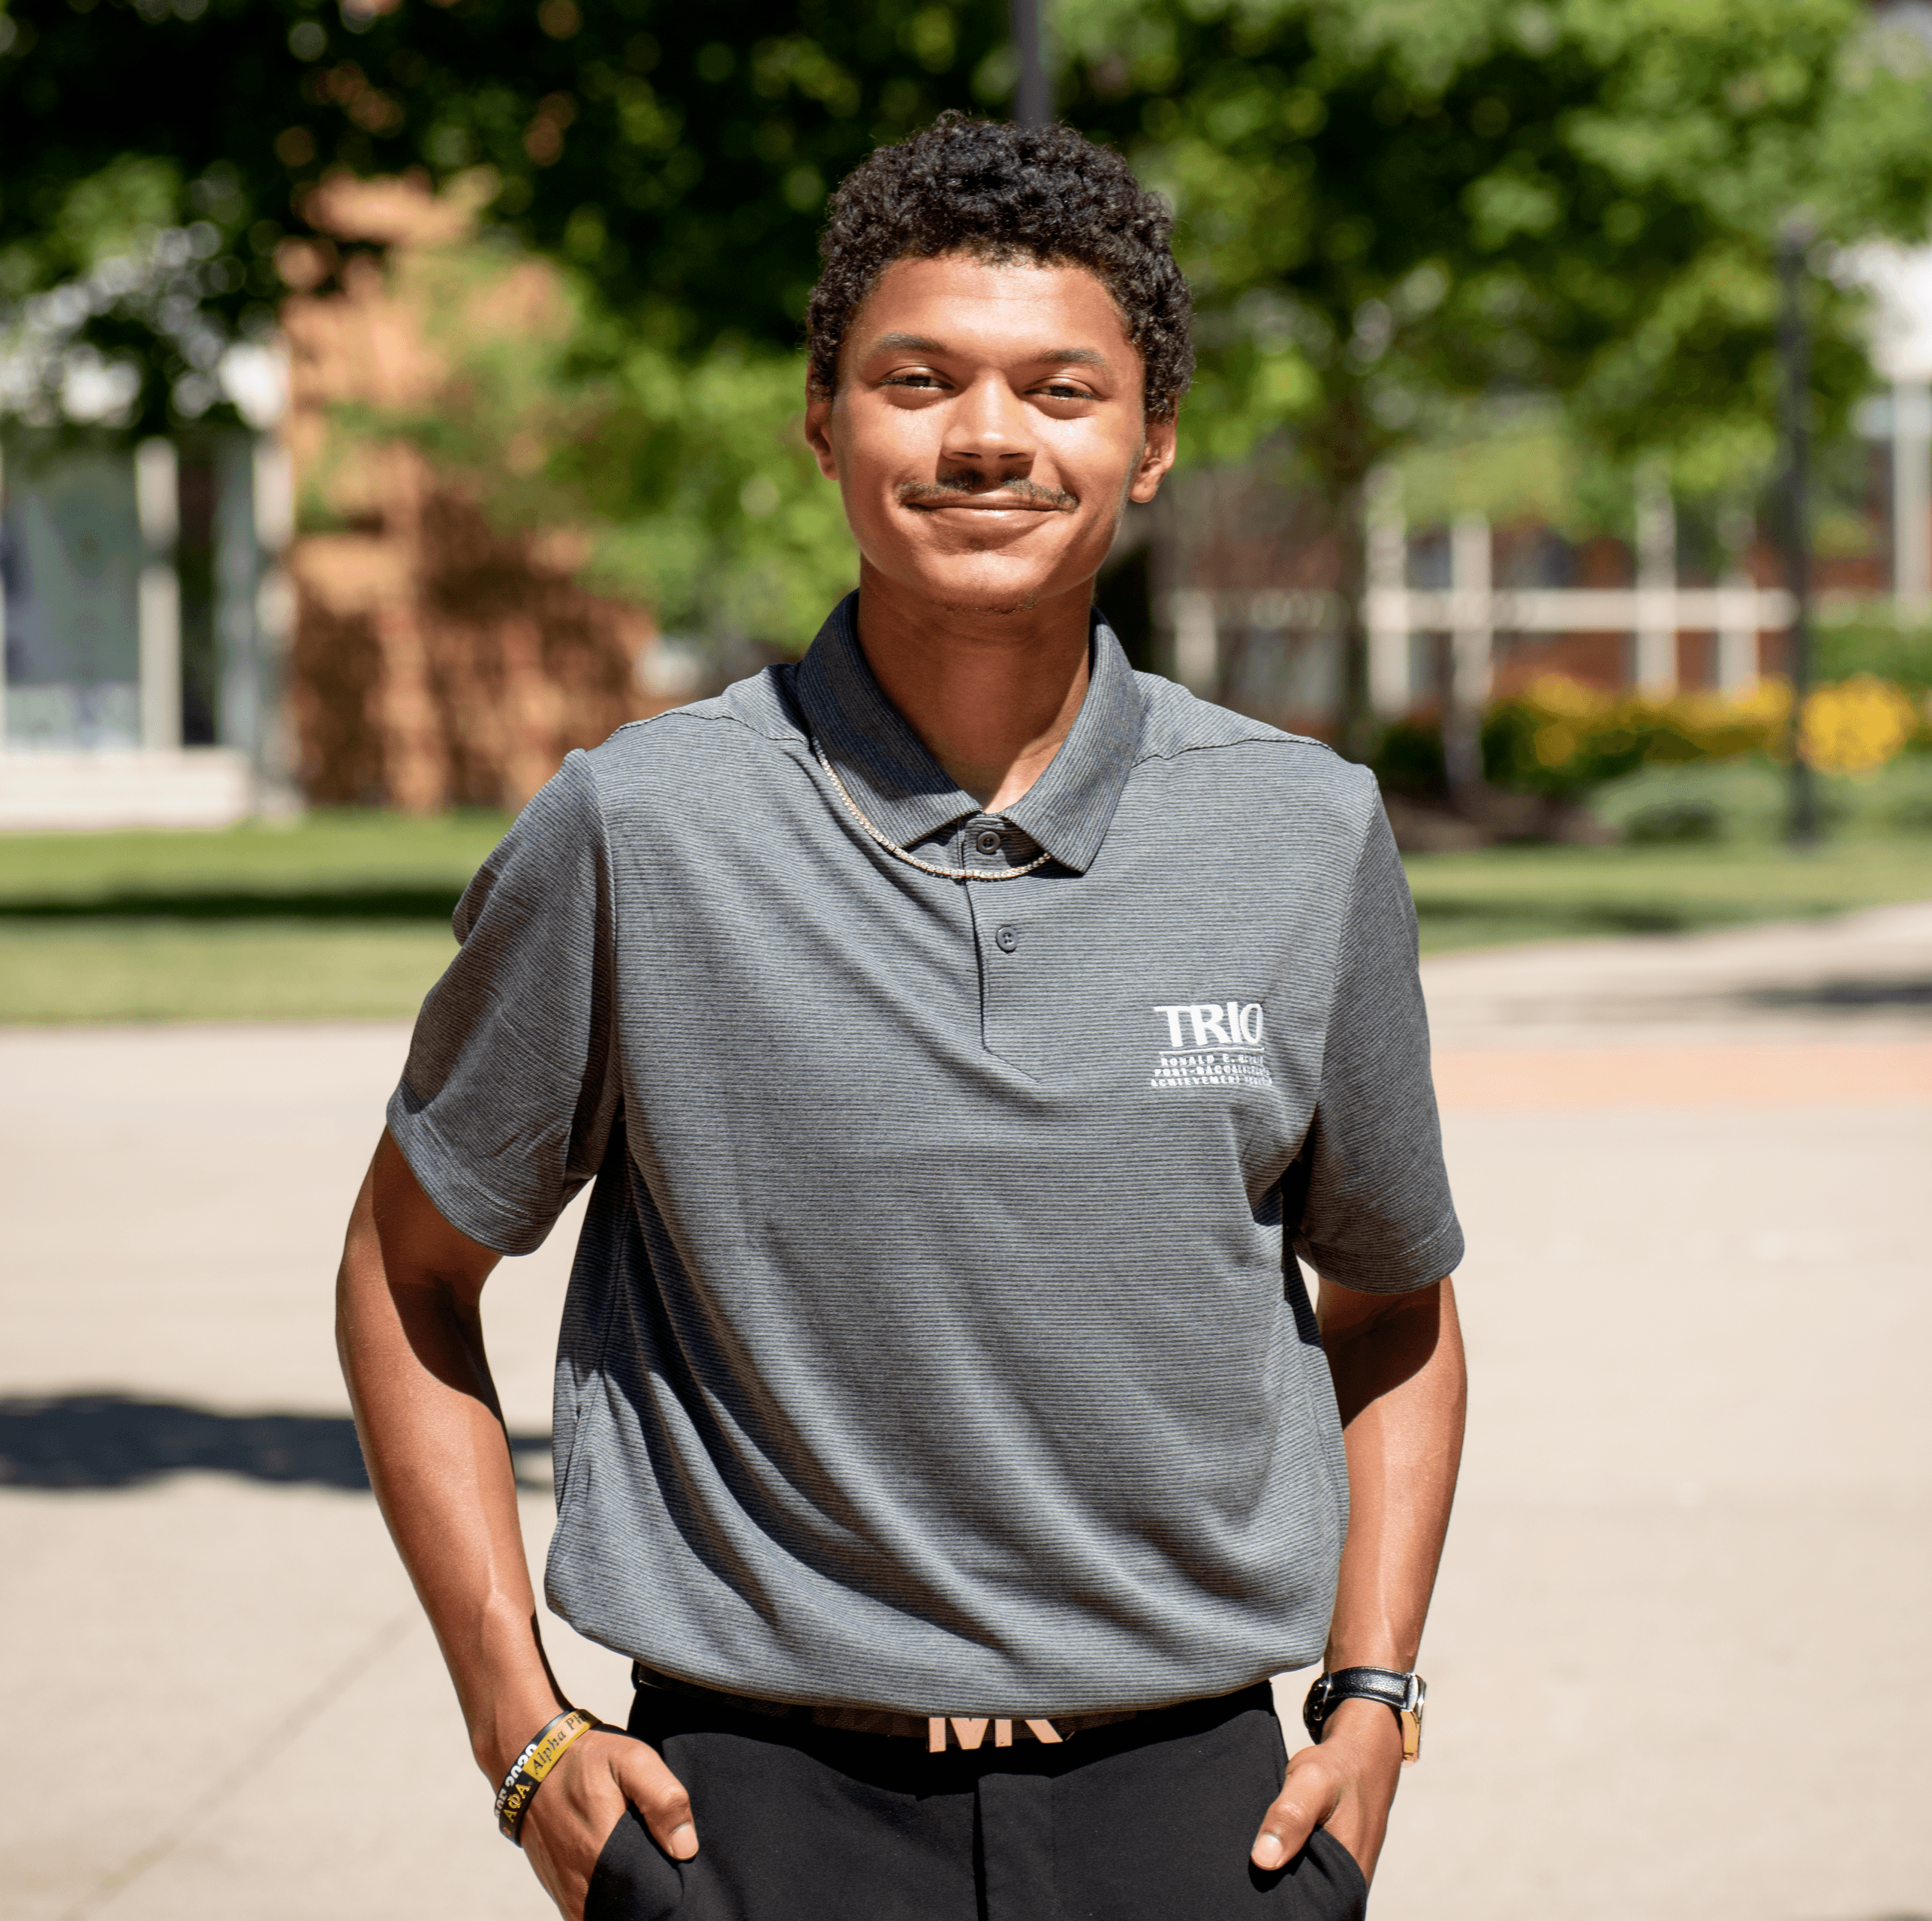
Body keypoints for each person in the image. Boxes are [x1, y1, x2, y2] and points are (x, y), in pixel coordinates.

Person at [336, 112, 1465, 1921]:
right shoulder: (639, 830)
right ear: (822, 419)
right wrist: (524, 1738)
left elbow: (1393, 1298)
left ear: (1150, 441)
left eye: (1062, 389)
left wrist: (1375, 1701)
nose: (989, 438)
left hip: (1200, 1813)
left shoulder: (1300, 830)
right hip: (743, 1814)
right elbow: (405, 1278)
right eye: (917, 379)